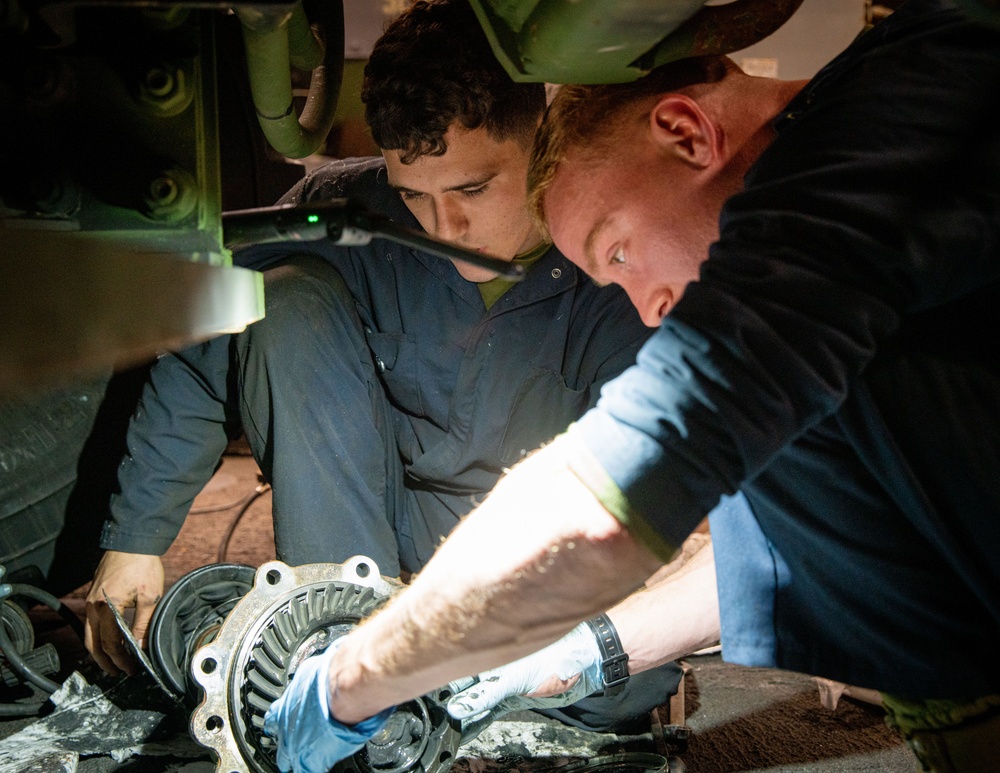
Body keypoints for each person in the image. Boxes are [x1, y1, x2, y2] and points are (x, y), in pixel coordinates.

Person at [261, 1, 1000, 771]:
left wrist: (354, 675)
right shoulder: (827, 291)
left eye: (618, 252)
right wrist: (585, 650)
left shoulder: (867, 140)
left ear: (687, 132)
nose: (645, 305)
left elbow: (602, 505)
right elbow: (767, 551)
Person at [83, 0, 685, 733]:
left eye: (471, 188)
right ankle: (335, 635)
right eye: (414, 197)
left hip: (538, 551)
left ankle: (402, 674)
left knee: (623, 668)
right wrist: (134, 540)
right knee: (284, 296)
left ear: (540, 136)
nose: (444, 227)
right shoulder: (344, 207)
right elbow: (203, 341)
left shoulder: (616, 260)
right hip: (373, 533)